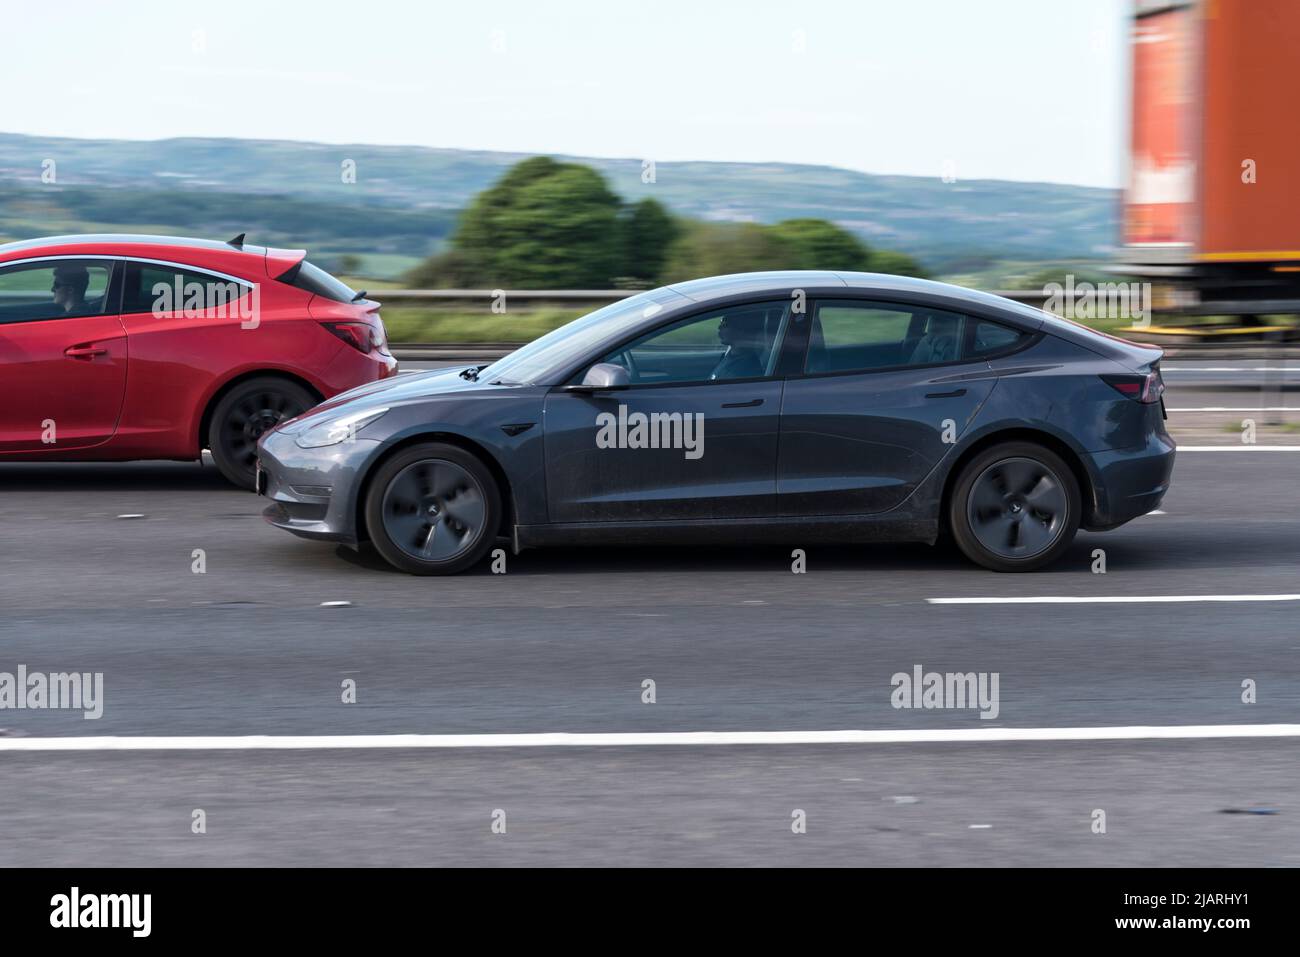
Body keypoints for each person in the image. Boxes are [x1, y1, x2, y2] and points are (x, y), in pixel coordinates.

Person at [709, 310, 767, 380]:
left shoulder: (745, 369)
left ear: (741, 330)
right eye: (721, 322)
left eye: (725, 324)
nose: (719, 327)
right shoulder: (731, 356)